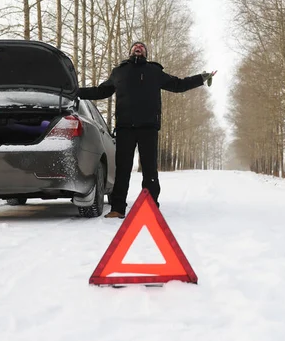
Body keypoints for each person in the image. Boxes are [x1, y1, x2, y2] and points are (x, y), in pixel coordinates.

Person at [77, 42, 216, 218]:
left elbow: (178, 85)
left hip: (148, 128)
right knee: (123, 169)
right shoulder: (119, 72)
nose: (138, 48)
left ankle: (150, 207)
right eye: (135, 46)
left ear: (145, 53)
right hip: (125, 128)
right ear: (130, 52)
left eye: (142, 47)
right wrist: (76, 92)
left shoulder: (154, 72)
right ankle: (118, 209)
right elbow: (100, 92)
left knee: (149, 169)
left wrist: (201, 78)